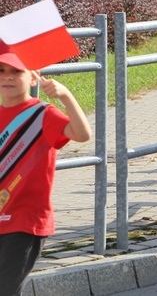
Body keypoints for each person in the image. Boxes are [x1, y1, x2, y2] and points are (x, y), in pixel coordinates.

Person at [0, 42, 92, 294]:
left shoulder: (42, 114)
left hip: (25, 222)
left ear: (33, 77)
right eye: (1, 70)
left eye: (16, 71)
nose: (7, 76)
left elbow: (82, 134)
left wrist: (65, 96)